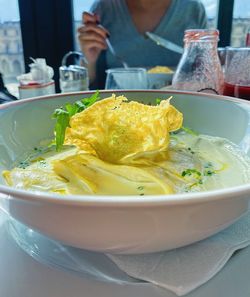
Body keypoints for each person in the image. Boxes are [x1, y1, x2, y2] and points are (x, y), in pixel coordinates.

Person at [78, 0, 208, 89]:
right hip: (119, 111)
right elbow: (90, 85)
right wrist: (89, 60)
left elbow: (205, 78)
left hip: (182, 109)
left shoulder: (194, 9)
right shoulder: (103, 9)